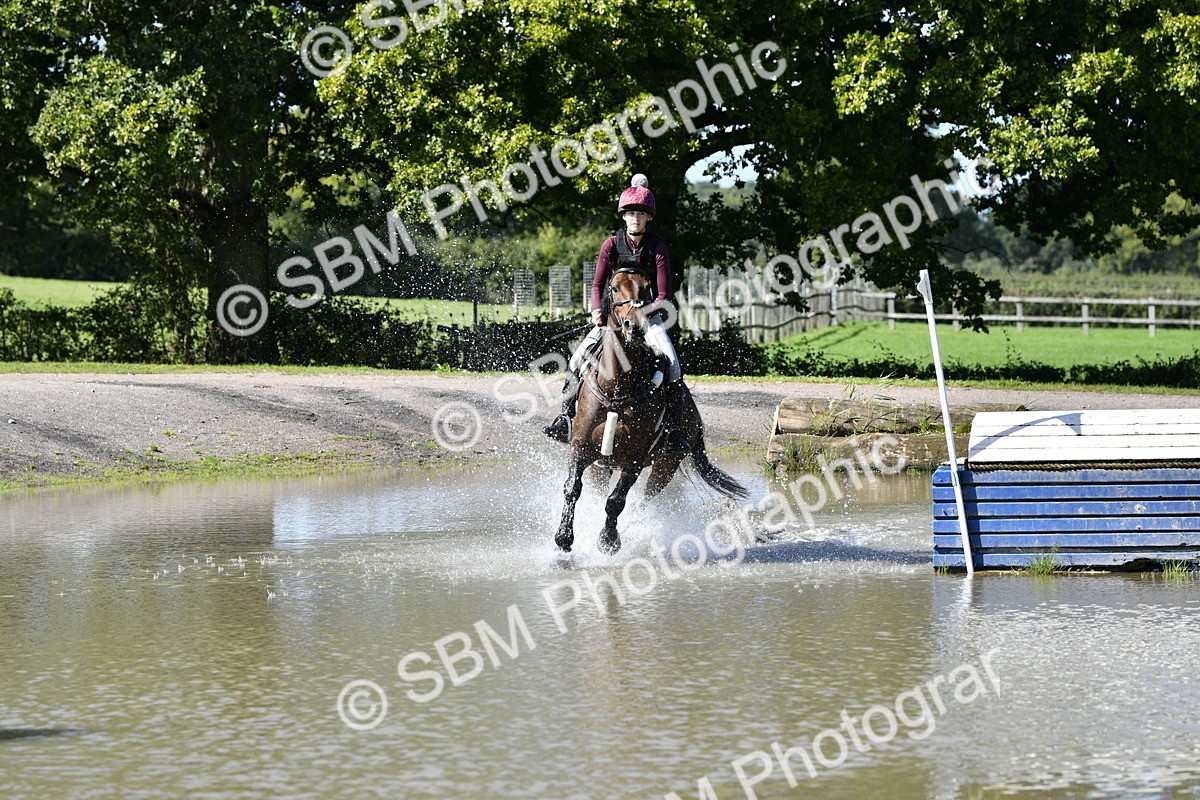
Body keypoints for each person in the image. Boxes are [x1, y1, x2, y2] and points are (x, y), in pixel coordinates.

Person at [543, 174, 691, 454]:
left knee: (672, 367)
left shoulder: (658, 248)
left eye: (641, 214)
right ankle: (564, 420)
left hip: (648, 318)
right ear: (624, 217)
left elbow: (663, 295)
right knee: (577, 361)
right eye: (631, 213)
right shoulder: (611, 245)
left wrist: (643, 313)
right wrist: (597, 310)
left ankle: (672, 431)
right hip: (614, 318)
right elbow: (598, 284)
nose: (636, 218)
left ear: (649, 218)